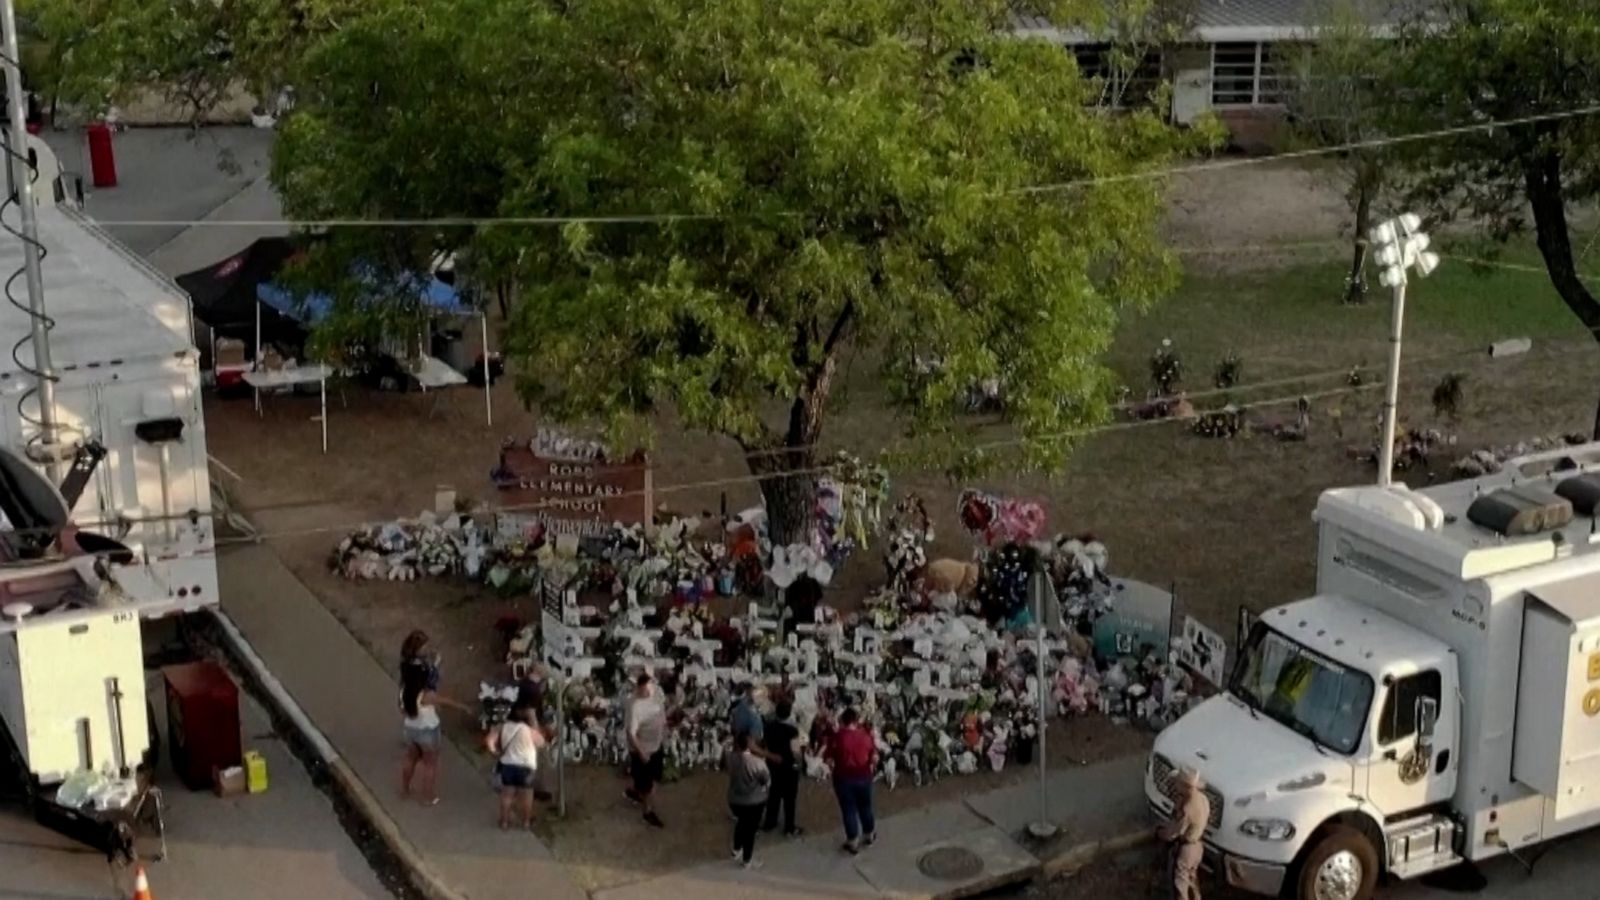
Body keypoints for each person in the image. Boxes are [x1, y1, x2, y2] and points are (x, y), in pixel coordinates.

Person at [399, 630, 466, 805]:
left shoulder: (404, 691)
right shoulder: (425, 694)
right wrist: (463, 707)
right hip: (428, 730)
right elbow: (443, 701)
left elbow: (402, 710)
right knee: (430, 765)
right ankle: (427, 797)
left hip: (410, 729)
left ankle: (405, 789)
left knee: (410, 758)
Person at [825, 708, 878, 854]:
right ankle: (869, 834)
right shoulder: (865, 736)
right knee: (866, 806)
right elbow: (874, 757)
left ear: (843, 721)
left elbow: (829, 760)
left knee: (849, 810)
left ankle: (853, 841)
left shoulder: (837, 737)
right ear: (856, 720)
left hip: (844, 778)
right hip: (864, 776)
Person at [487, 704, 546, 830]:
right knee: (527, 796)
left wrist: (494, 752)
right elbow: (541, 742)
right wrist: (534, 722)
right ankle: (526, 822)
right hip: (526, 766)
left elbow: (490, 741)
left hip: (508, 764)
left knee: (507, 795)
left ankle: (504, 822)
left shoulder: (503, 727)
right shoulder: (529, 730)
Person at [1157, 766, 1210, 900]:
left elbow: (1174, 833)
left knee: (1179, 884)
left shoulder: (1187, 809)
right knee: (1192, 880)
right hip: (1198, 845)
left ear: (1185, 787)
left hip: (1186, 848)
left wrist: (1160, 833)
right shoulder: (1203, 799)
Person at [624, 673, 668, 828]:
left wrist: (664, 734)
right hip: (643, 750)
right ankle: (647, 812)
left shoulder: (657, 695)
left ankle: (637, 792)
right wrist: (641, 751)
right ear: (639, 688)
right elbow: (631, 733)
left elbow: (662, 716)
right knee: (648, 784)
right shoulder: (635, 706)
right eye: (645, 688)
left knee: (654, 779)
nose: (649, 691)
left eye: (651, 686)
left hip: (656, 746)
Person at [726, 731, 771, 869]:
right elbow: (765, 781)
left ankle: (736, 849)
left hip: (734, 799)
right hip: (753, 801)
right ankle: (747, 859)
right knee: (750, 830)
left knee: (741, 823)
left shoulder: (730, 758)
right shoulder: (756, 763)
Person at [761, 700, 803, 837]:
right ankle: (789, 827)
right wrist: (798, 764)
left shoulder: (768, 726)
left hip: (773, 765)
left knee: (774, 794)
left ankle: (770, 822)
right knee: (790, 799)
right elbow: (795, 751)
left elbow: (765, 745)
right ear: (789, 713)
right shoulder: (792, 731)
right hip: (789, 767)